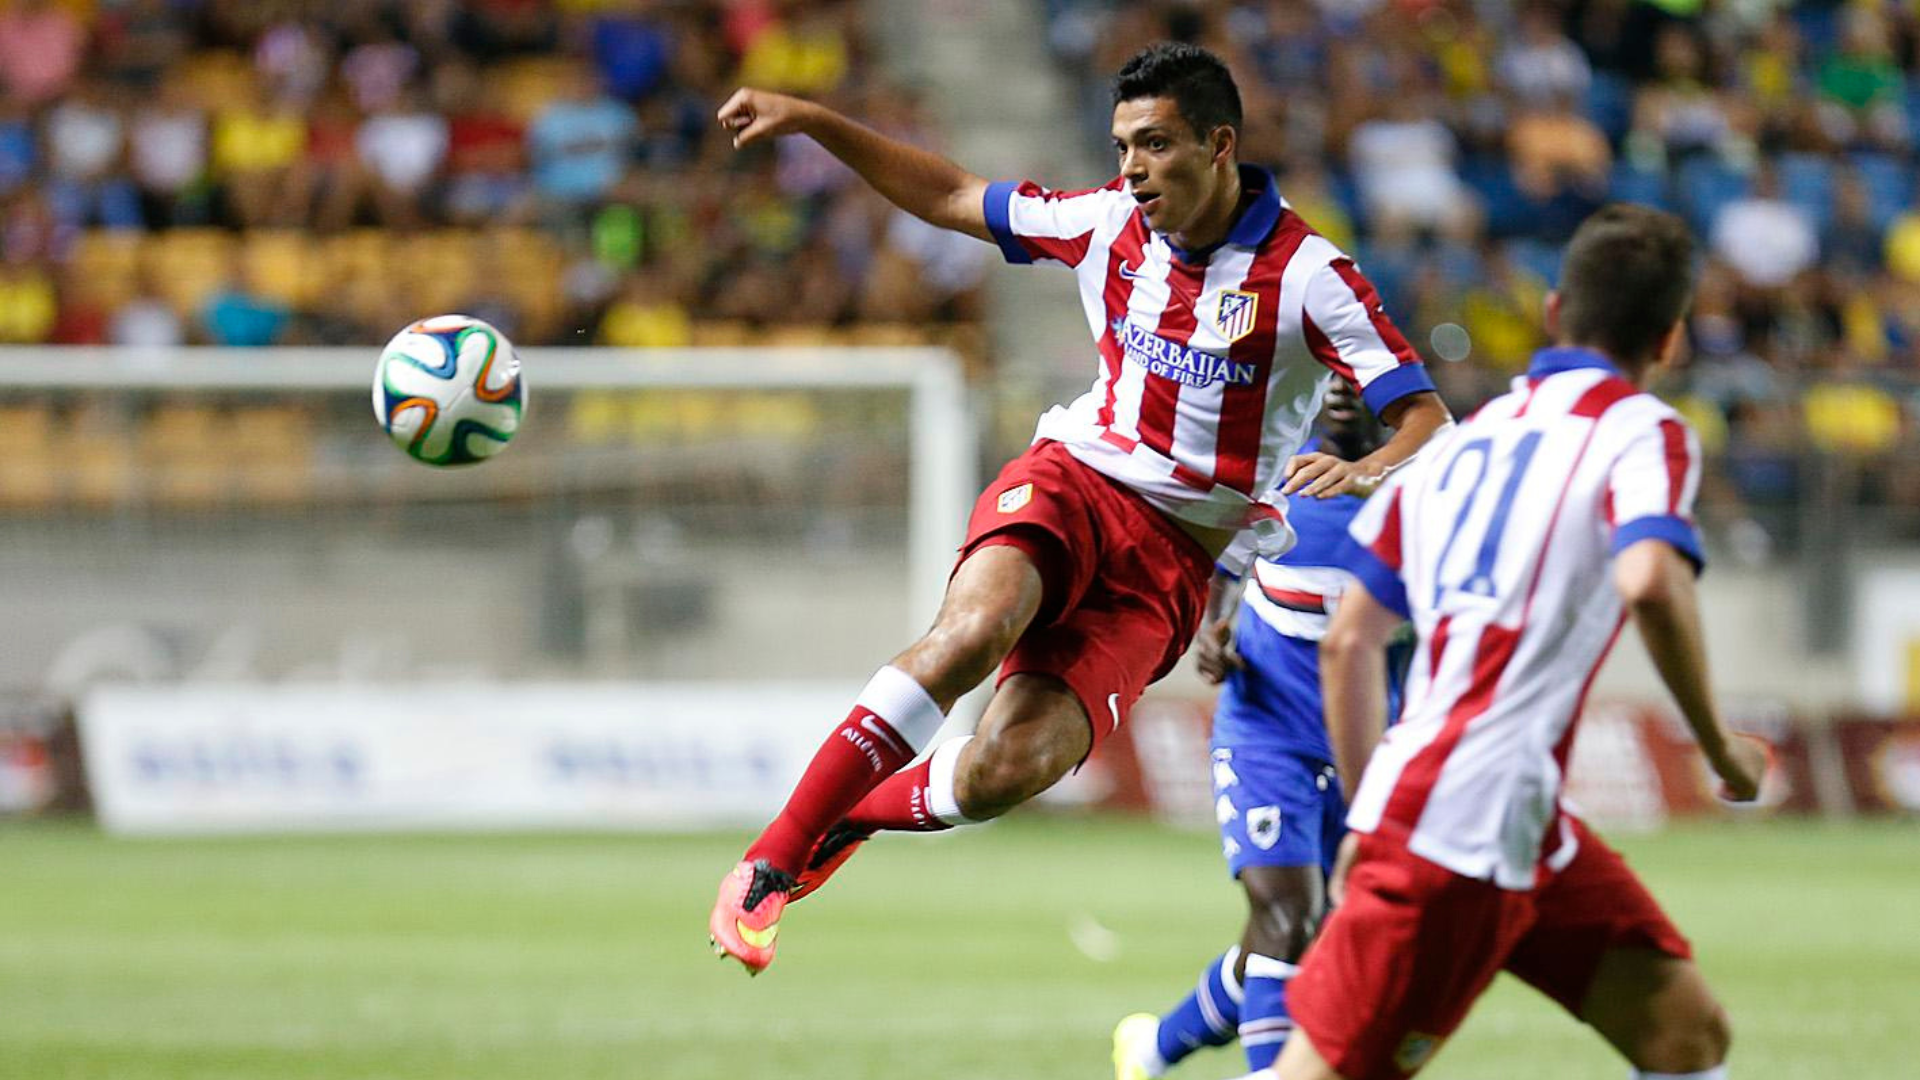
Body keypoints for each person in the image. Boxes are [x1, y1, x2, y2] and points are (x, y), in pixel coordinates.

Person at [707, 42, 1453, 976]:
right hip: (1077, 481)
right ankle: (772, 861)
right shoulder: (1106, 223)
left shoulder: (1310, 277)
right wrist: (817, 120)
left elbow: (1426, 417)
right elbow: (950, 195)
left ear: (1219, 146)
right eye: (1122, 146)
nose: (1132, 169)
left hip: (1174, 562)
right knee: (970, 633)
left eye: (1155, 145)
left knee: (1000, 774)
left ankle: (845, 816)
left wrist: (1371, 468)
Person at [1266, 203, 1771, 1080]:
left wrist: (1366, 806)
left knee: (1683, 1032)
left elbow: (1349, 643)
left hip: (1512, 821)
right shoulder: (1642, 432)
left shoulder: (1456, 450)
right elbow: (1650, 577)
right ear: (1672, 339)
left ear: (1551, 310)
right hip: (1455, 831)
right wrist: (1721, 751)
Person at [1113, 381, 1414, 1080]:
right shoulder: (1273, 468)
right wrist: (1213, 628)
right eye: (1330, 368)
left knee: (1306, 939)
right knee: (1288, 916)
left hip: (1366, 749)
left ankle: (1155, 1049)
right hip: (1266, 729)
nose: (1340, 384)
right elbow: (1225, 559)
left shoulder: (1423, 500)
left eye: (1358, 369)